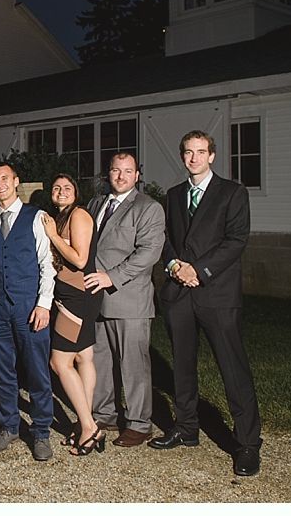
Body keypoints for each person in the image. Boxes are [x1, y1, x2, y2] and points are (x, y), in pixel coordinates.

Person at [151, 130, 262, 478]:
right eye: (188, 152)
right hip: (180, 294)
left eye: (201, 152)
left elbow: (236, 240)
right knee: (182, 366)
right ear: (183, 156)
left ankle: (247, 444)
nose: (194, 158)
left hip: (216, 294)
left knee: (233, 368)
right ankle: (186, 428)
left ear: (212, 156)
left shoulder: (232, 192)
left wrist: (199, 270)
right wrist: (173, 266)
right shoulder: (173, 195)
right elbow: (164, 239)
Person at [0, 162, 56, 461]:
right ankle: (8, 425)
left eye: (4, 179)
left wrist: (44, 303)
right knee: (1, 371)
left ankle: (41, 431)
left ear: (16, 181)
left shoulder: (37, 218)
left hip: (28, 305)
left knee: (36, 370)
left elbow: (47, 264)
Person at [84, 152, 165, 450]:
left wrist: (112, 277)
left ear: (137, 175)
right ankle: (103, 414)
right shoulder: (96, 203)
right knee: (100, 361)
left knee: (132, 364)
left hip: (128, 299)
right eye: (115, 170)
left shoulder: (148, 208)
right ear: (109, 173)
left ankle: (139, 423)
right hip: (95, 298)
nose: (120, 176)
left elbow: (148, 254)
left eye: (127, 171)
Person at [39, 174, 104, 456]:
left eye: (67, 187)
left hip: (77, 297)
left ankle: (89, 427)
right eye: (56, 188)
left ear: (76, 193)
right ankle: (83, 422)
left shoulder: (78, 215)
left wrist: (52, 234)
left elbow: (79, 258)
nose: (61, 191)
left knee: (59, 362)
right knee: (83, 357)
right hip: (72, 294)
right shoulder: (62, 216)